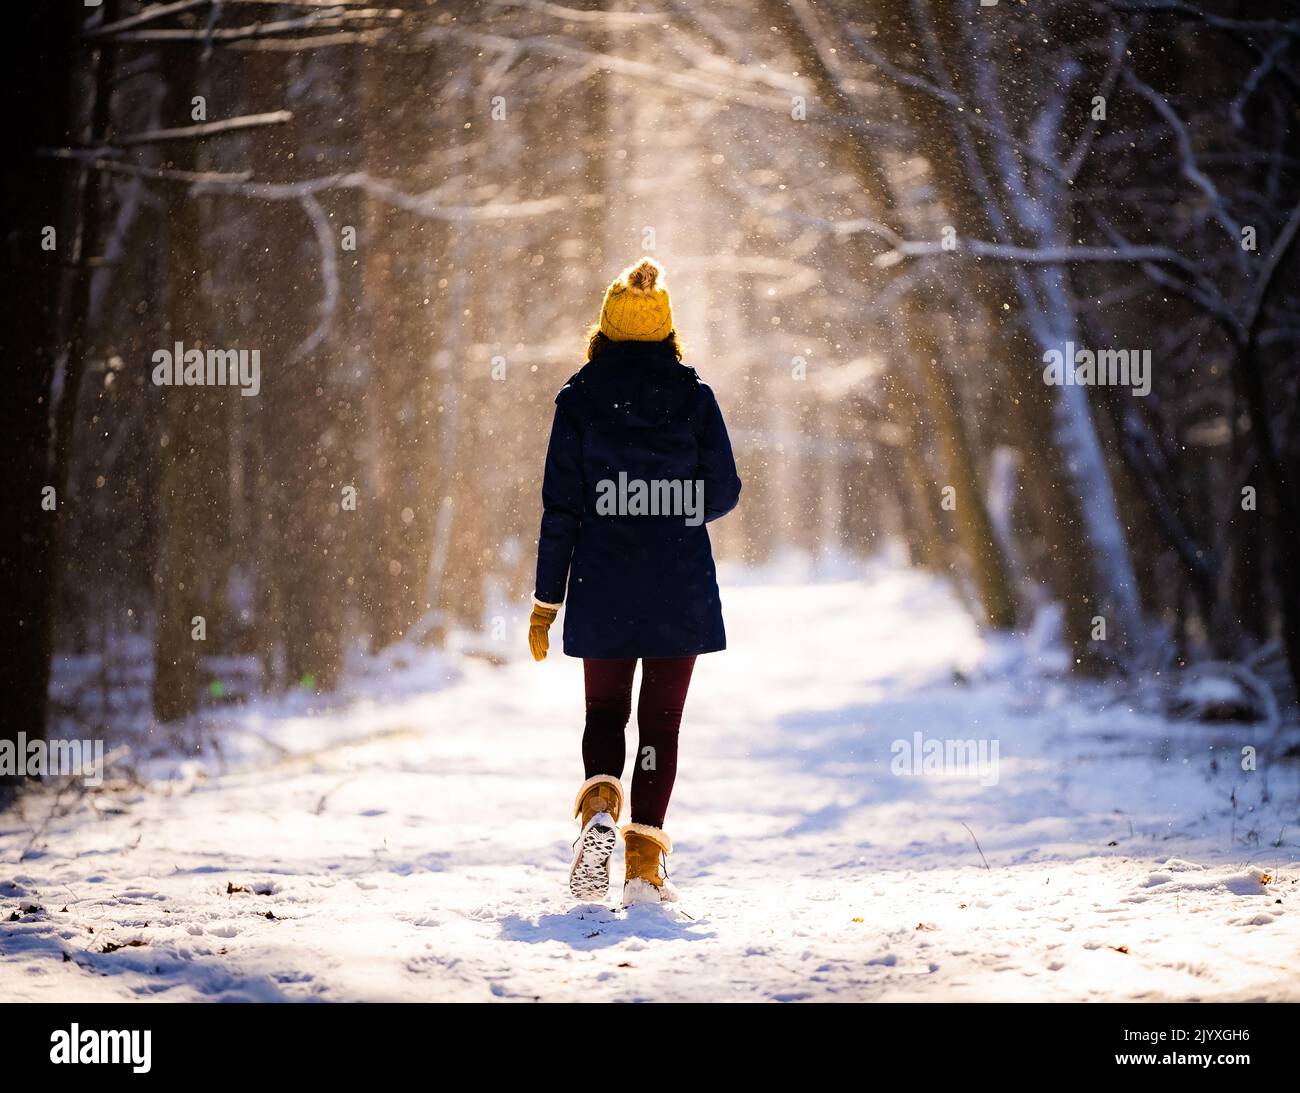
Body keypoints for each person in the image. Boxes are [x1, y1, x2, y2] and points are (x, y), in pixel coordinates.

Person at [528, 256, 742, 906]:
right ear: (667, 331)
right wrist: (674, 503)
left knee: (604, 711)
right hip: (677, 580)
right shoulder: (695, 396)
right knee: (661, 722)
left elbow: (561, 506)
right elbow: (725, 488)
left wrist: (546, 600)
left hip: (603, 577)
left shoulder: (579, 397)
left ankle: (599, 801)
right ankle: (645, 862)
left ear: (606, 330)